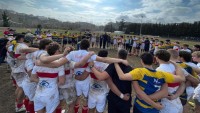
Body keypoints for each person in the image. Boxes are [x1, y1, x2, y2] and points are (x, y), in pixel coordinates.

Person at [37, 39, 128, 113]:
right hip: (84, 81)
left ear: (79, 46)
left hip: (73, 80)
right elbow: (104, 59)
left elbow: (58, 63)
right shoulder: (89, 55)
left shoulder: (72, 54)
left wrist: (40, 63)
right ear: (88, 47)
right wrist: (119, 60)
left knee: (73, 100)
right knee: (85, 101)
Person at [114, 52, 185, 113]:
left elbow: (122, 76)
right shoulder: (162, 74)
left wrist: (116, 64)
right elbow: (181, 78)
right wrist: (175, 64)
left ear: (141, 61)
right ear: (153, 61)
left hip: (140, 106)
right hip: (154, 109)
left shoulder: (139, 71)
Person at [31, 43, 65, 113]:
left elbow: (32, 78)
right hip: (51, 93)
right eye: (60, 51)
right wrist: (52, 85)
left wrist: (43, 83)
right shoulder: (59, 65)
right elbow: (62, 81)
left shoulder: (37, 64)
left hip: (39, 92)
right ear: (56, 52)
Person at [12, 34, 38, 112]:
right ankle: (19, 106)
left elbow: (17, 56)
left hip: (17, 69)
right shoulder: (23, 46)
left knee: (22, 88)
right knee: (22, 89)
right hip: (21, 70)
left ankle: (19, 104)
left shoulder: (17, 45)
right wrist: (39, 49)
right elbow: (23, 51)